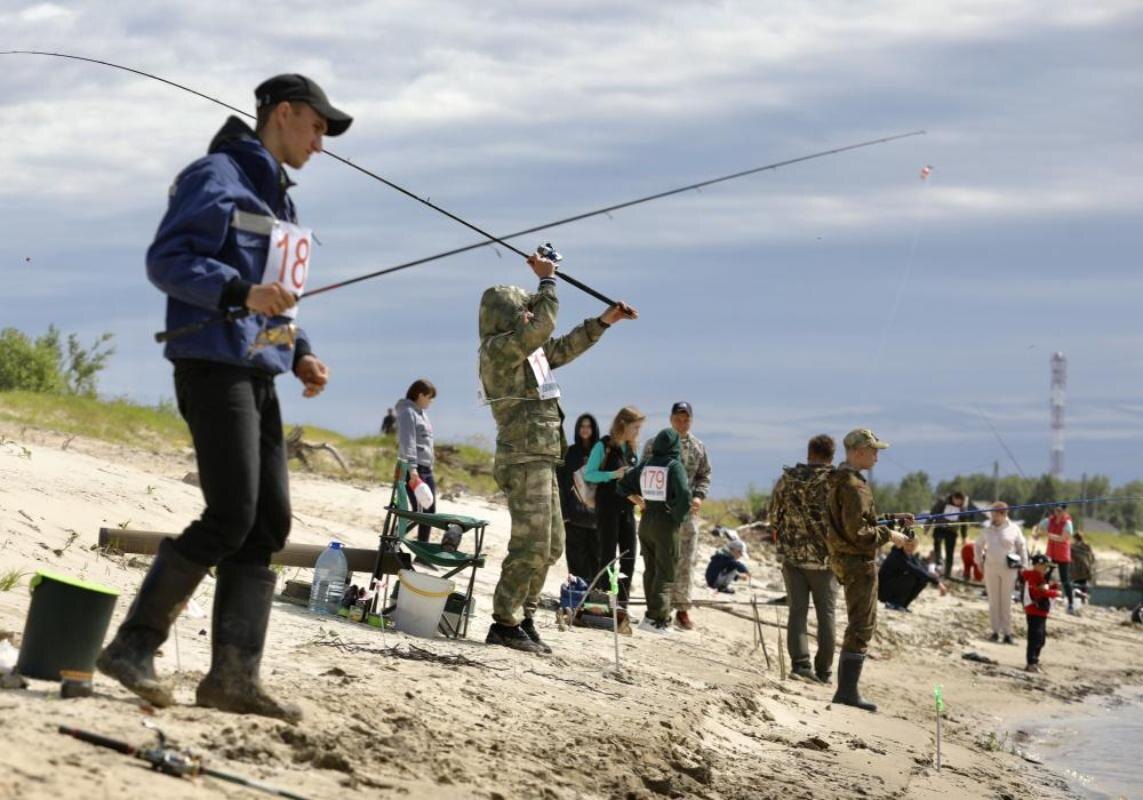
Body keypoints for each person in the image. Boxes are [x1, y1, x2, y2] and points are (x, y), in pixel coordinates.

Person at [97, 74, 352, 722]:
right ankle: (132, 648)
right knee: (231, 513)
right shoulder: (214, 176)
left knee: (267, 524)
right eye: (318, 127)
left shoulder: (284, 206)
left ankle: (232, 679)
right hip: (211, 364)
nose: (321, 144)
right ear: (285, 114)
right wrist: (239, 293)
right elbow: (168, 260)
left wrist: (301, 353)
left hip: (260, 372)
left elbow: (278, 298)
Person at [478, 252, 636, 653]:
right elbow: (544, 326)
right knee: (529, 544)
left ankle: (524, 616)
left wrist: (604, 322)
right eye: (523, 311)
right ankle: (505, 621)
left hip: (543, 457)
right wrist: (548, 281)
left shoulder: (525, 351)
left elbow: (561, 347)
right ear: (506, 316)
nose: (529, 317)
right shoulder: (498, 348)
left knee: (550, 545)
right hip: (522, 456)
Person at [825, 428, 913, 712]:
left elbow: (859, 520)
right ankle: (847, 693)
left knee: (859, 623)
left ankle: (846, 691)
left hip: (844, 558)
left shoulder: (839, 480)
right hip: (857, 562)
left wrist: (891, 520)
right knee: (862, 625)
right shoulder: (854, 486)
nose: (877, 456)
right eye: (873, 450)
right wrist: (891, 535)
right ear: (858, 451)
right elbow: (860, 532)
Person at [769, 433, 837, 684]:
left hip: (792, 558)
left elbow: (774, 515)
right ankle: (824, 671)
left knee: (797, 611)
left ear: (809, 454)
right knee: (826, 615)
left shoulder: (787, 479)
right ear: (832, 457)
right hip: (825, 561)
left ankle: (800, 665)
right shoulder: (835, 482)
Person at [642, 401, 711, 631]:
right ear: (671, 418)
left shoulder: (698, 447)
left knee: (685, 562)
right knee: (660, 560)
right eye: (678, 418)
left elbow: (704, 475)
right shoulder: (655, 444)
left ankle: (681, 608)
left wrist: (699, 496)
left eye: (686, 418)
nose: (682, 422)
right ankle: (659, 608)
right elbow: (643, 472)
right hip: (660, 513)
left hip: (687, 515)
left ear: (691, 420)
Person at [618, 428, 691, 635]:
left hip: (646, 521)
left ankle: (650, 616)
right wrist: (678, 516)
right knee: (665, 571)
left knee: (651, 570)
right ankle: (657, 619)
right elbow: (685, 495)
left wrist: (641, 502)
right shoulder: (674, 466)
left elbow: (622, 485)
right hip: (665, 524)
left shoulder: (647, 464)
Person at [585, 406, 645, 605]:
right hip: (607, 507)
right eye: (635, 427)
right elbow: (589, 474)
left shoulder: (632, 448)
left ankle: (621, 605)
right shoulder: (604, 445)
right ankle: (602, 602)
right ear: (623, 425)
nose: (638, 432)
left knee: (629, 555)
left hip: (627, 508)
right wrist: (612, 474)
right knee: (608, 555)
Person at [976, 502, 1028, 644]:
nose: (992, 516)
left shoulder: (1014, 529)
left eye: (995, 513)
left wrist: (1024, 565)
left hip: (1009, 570)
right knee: (993, 601)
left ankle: (1007, 633)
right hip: (991, 568)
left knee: (1006, 601)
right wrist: (979, 561)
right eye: (991, 513)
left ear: (1004, 514)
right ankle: (995, 631)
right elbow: (978, 545)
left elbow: (1022, 547)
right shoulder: (987, 529)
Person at [557, 413, 600, 582]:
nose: (585, 429)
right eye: (582, 426)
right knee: (576, 563)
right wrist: (565, 514)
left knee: (596, 561)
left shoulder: (602, 452)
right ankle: (577, 599)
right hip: (574, 518)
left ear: (594, 429)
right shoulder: (570, 453)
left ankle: (595, 601)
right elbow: (562, 484)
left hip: (597, 519)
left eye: (588, 426)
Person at [396, 379, 437, 546]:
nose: (431, 401)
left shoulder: (422, 414)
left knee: (429, 511)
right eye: (429, 397)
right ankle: (393, 541)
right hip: (413, 469)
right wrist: (412, 469)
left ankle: (423, 554)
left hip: (426, 469)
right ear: (420, 395)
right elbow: (408, 442)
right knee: (419, 512)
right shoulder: (407, 413)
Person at [878, 536, 948, 611]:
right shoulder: (897, 555)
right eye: (908, 544)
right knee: (912, 576)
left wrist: (936, 580)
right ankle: (893, 603)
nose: (910, 547)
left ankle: (903, 605)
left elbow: (922, 570)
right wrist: (937, 583)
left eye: (913, 545)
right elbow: (915, 570)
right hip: (883, 590)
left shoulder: (910, 555)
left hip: (893, 586)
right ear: (903, 543)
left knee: (922, 579)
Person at [1021, 553, 1061, 673]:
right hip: (1034, 611)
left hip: (1041, 612)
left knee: (1041, 638)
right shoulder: (1033, 576)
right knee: (1035, 638)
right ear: (1037, 565)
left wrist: (1053, 586)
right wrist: (1053, 593)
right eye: (1044, 566)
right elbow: (1036, 591)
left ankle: (1035, 660)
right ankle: (1031, 662)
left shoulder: (1040, 576)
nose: (1046, 568)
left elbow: (1043, 588)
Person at [1033, 505, 1076, 614]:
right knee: (1045, 576)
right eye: (1056, 510)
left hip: (1062, 555)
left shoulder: (1068, 523)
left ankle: (1071, 604)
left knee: (1065, 579)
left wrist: (1047, 535)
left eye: (1060, 511)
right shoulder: (1049, 520)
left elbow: (1062, 538)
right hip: (1051, 554)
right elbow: (1038, 526)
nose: (1057, 512)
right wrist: (1036, 533)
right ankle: (1041, 600)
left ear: (1064, 511)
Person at [928, 492, 967, 579]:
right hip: (940, 528)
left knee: (950, 552)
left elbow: (964, 523)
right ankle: (938, 564)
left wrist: (964, 537)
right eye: (958, 501)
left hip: (952, 531)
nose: (959, 504)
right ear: (953, 498)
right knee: (937, 543)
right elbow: (932, 513)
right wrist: (927, 528)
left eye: (961, 502)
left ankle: (948, 573)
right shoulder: (942, 501)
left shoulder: (962, 507)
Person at [1070, 530, 1095, 603]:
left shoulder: (1072, 547)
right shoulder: (1087, 546)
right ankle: (1083, 599)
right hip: (1086, 568)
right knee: (1083, 584)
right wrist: (1091, 565)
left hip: (1076, 569)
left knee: (1077, 584)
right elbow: (1092, 557)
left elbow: (1070, 557)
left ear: (1075, 538)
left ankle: (1079, 599)